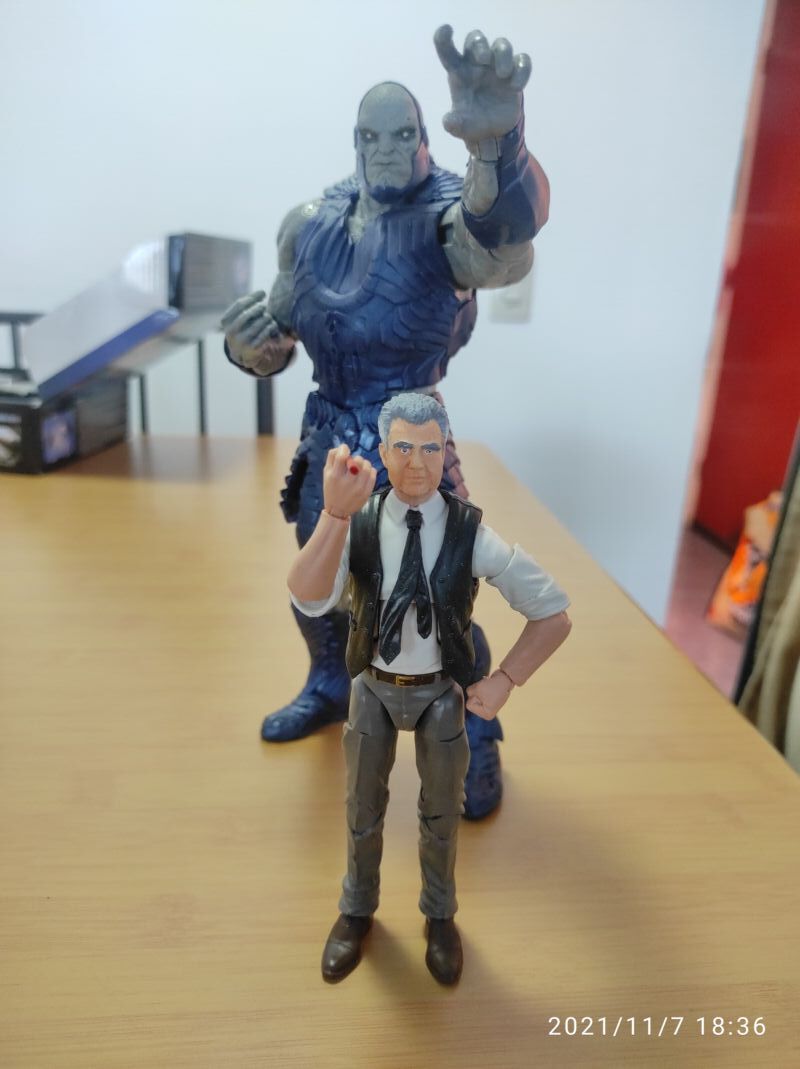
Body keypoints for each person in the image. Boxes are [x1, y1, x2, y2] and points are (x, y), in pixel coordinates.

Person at [222, 25, 551, 820]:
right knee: (320, 582)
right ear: (355, 141)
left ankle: (475, 731)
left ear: (423, 137)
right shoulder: (313, 220)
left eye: (403, 134)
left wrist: (499, 147)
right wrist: (249, 346)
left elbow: (502, 243)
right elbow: (276, 330)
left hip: (411, 436)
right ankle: (329, 683)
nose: (387, 150)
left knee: (439, 601)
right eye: (372, 137)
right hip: (330, 432)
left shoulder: (447, 216)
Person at [288, 393, 571, 984]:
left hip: (442, 692)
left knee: (442, 814)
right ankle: (356, 908)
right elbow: (308, 597)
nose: (416, 463)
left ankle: (439, 915)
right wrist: (333, 515)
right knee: (362, 809)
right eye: (402, 447)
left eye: (430, 448)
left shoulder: (470, 533)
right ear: (382, 452)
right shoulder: (361, 523)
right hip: (373, 688)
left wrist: (505, 679)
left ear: (447, 452)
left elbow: (552, 613)